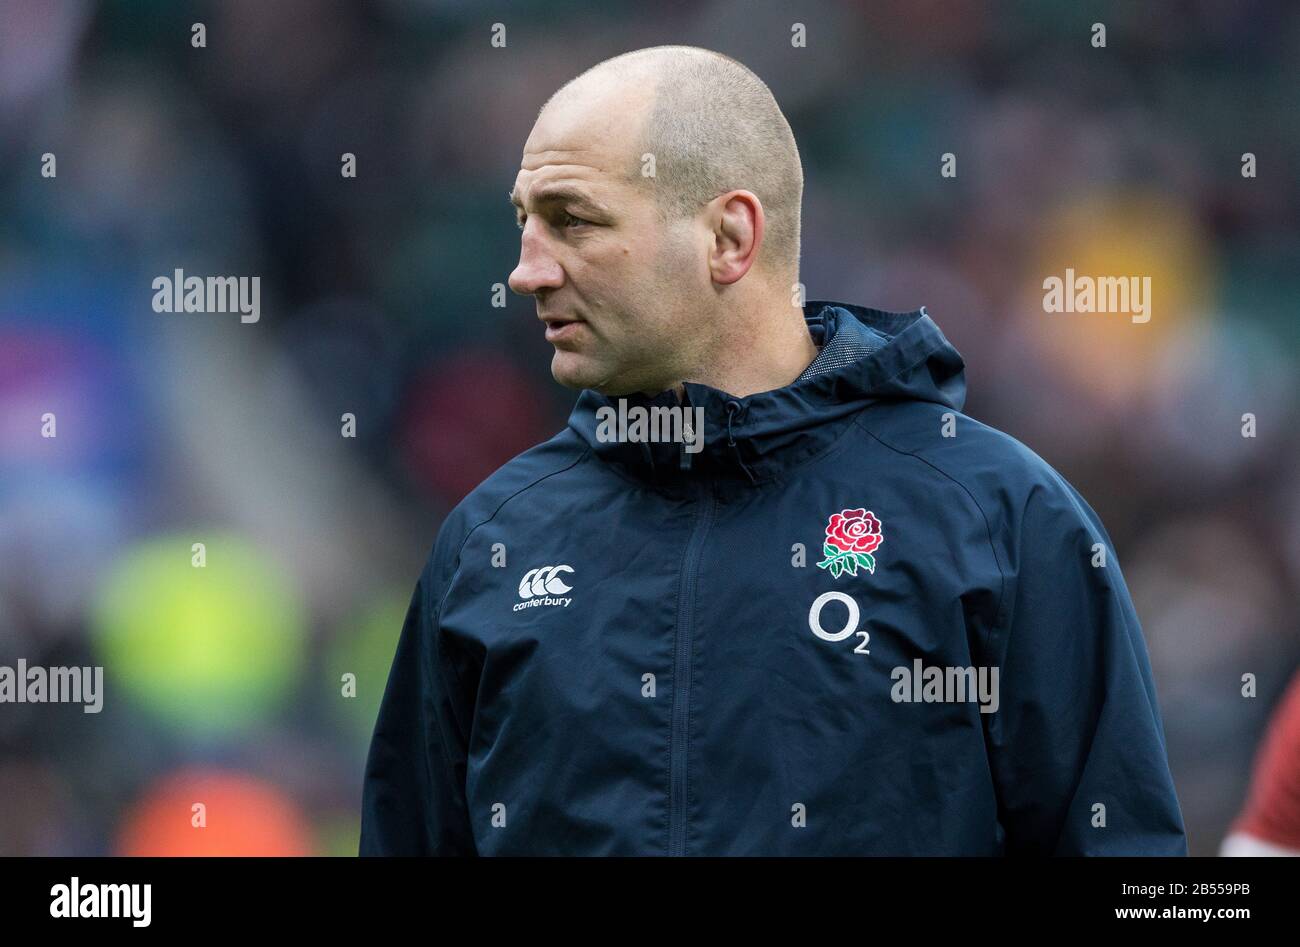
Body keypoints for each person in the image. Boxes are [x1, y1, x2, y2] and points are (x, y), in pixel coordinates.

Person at [359, 45, 1186, 855]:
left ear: (728, 237)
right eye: (524, 223)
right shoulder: (492, 540)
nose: (526, 270)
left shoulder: (1001, 519)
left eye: (572, 220)